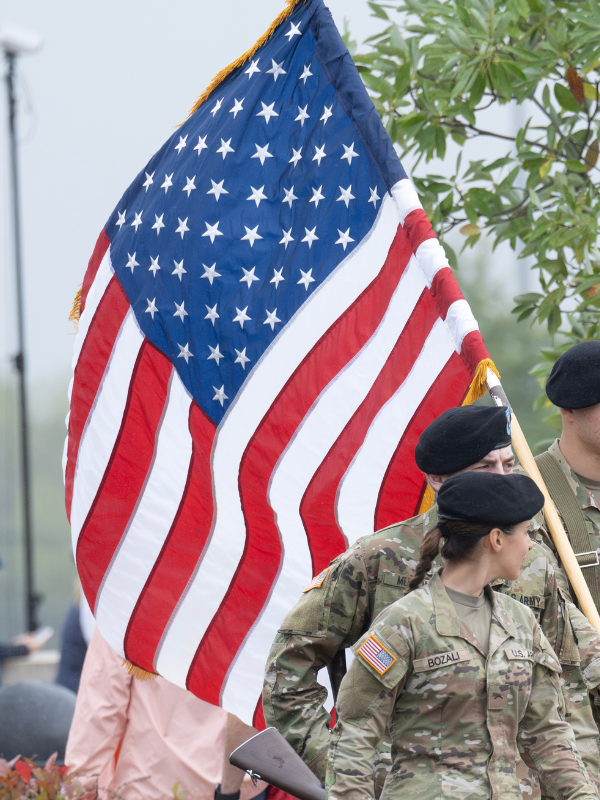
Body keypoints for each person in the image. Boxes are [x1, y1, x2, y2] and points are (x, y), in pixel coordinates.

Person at [263, 405, 600, 794]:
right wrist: (346, 773)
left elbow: (566, 692)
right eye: (487, 467)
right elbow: (288, 675)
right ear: (439, 480)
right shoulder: (378, 561)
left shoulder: (533, 559)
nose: (504, 480)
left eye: (510, 465)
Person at [326, 472, 595, 800]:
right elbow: (355, 734)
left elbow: (548, 735)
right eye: (526, 533)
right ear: (496, 539)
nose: (530, 545)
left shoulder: (521, 622)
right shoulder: (405, 622)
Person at [66, 626, 267, 800]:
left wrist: (77, 789)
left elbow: (101, 710)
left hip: (151, 782)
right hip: (237, 783)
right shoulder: (243, 595)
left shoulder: (127, 604)